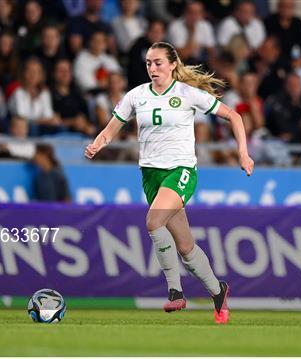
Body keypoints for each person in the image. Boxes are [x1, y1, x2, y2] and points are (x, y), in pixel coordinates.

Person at [84, 42, 254, 324]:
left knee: (153, 221)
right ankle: (218, 291)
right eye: (149, 63)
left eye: (158, 62)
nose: (152, 68)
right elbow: (110, 130)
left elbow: (234, 116)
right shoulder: (136, 96)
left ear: (173, 64)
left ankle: (175, 291)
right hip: (151, 175)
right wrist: (97, 144)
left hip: (181, 170)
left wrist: (244, 153)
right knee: (186, 247)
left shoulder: (188, 94)